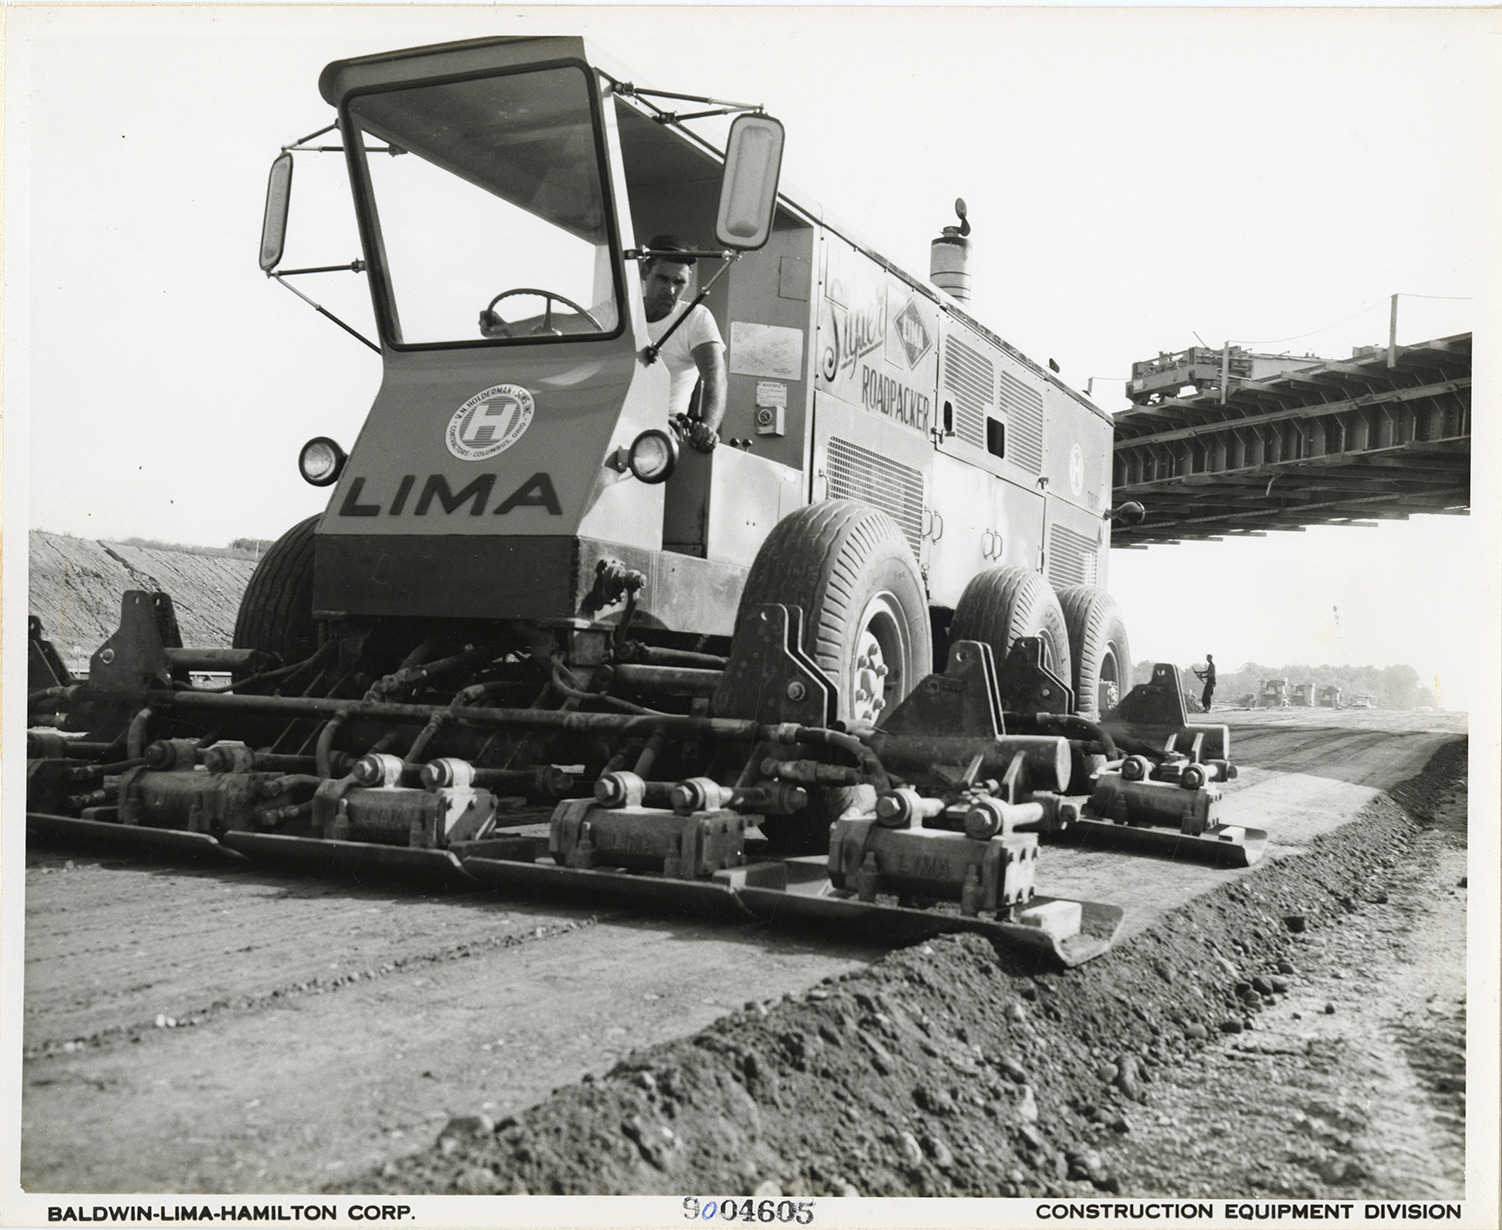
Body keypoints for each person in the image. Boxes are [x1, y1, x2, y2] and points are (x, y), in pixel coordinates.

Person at [641, 234, 726, 453]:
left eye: (679, 282)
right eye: (662, 279)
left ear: (688, 281)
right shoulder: (619, 313)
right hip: (615, 415)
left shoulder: (696, 318)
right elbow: (571, 324)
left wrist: (708, 426)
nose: (670, 290)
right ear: (644, 272)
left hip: (663, 427)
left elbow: (714, 375)